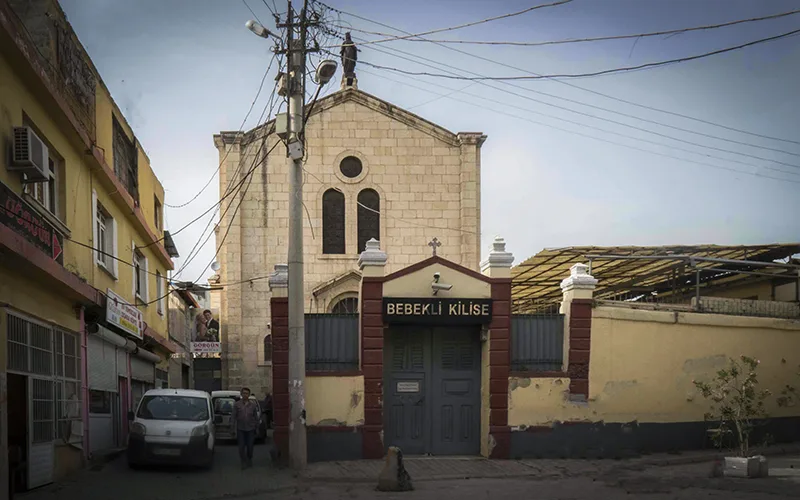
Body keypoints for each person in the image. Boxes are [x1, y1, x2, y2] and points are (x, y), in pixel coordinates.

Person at [232, 387, 259, 469]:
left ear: (249, 395)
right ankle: (243, 461)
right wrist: (232, 428)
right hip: (241, 429)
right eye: (244, 393)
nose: (245, 395)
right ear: (241, 394)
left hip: (250, 429)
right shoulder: (237, 405)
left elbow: (255, 417)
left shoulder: (253, 405)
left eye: (247, 393)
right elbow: (233, 416)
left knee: (250, 446)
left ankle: (249, 458)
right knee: (241, 447)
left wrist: (257, 428)